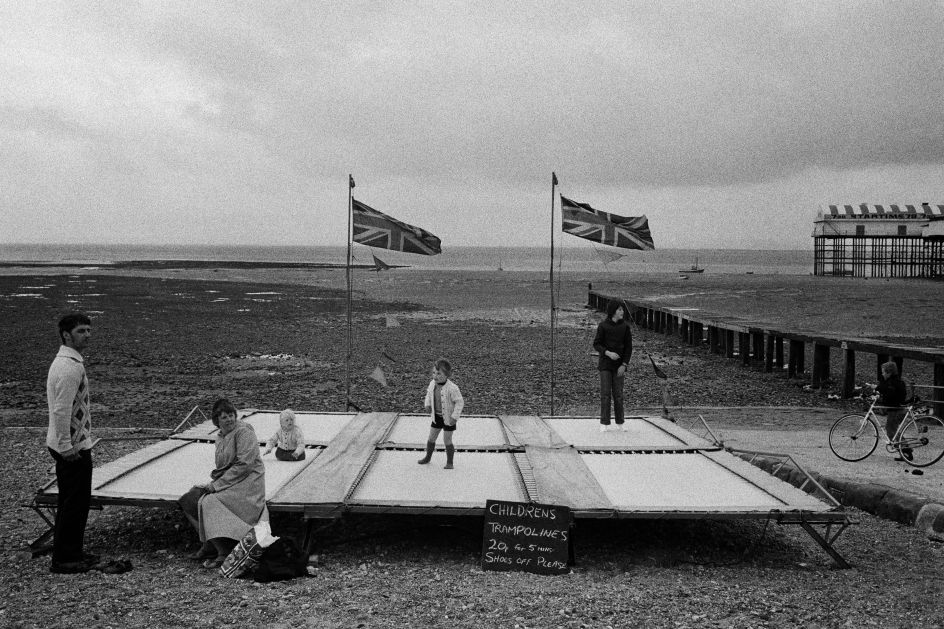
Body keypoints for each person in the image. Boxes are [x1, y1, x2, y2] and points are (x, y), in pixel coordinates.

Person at [178, 399, 268, 569]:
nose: (229, 419)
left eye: (231, 415)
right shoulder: (220, 436)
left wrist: (217, 486)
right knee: (189, 499)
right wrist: (212, 483)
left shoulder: (244, 432)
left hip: (248, 484)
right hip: (231, 481)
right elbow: (223, 467)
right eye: (224, 417)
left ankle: (223, 550)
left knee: (208, 502)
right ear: (217, 421)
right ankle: (208, 543)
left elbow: (244, 465)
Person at [46, 313, 97, 574]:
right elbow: (61, 409)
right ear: (67, 335)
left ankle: (71, 552)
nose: (87, 335)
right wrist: (67, 447)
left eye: (88, 330)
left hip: (71, 442)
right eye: (81, 331)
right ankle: (65, 558)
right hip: (72, 447)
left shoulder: (68, 361)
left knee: (72, 501)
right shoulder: (69, 366)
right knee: (74, 504)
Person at [593, 301, 633, 432]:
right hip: (605, 364)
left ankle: (620, 422)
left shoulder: (625, 327)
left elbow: (629, 348)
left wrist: (624, 365)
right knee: (605, 394)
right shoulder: (603, 326)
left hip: (619, 366)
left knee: (618, 395)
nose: (622, 312)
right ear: (613, 311)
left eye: (622, 310)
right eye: (620, 309)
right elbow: (597, 344)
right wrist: (608, 353)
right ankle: (604, 423)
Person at [418, 359, 464, 469]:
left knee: (447, 440)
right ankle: (428, 457)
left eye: (439, 373)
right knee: (431, 438)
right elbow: (428, 395)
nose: (435, 376)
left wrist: (455, 416)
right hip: (436, 417)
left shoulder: (452, 388)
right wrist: (427, 404)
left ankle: (450, 462)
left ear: (447, 374)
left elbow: (459, 402)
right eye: (434, 373)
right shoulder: (432, 384)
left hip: (448, 418)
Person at [876, 361, 912, 461]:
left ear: (889, 373)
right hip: (897, 409)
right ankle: (904, 451)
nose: (882, 374)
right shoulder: (895, 381)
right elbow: (883, 388)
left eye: (883, 372)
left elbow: (888, 392)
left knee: (891, 431)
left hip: (896, 410)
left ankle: (906, 451)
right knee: (893, 430)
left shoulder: (892, 383)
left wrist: (878, 391)